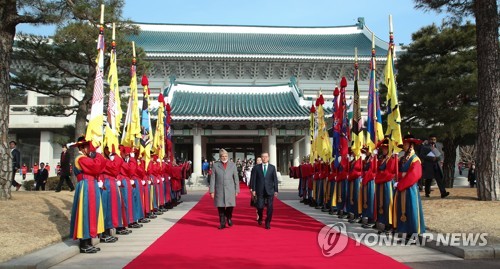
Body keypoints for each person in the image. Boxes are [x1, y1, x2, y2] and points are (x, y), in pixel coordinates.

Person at [69, 136, 106, 254]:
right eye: (87, 147)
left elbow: (99, 168)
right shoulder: (81, 158)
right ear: (82, 147)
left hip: (91, 185)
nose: (89, 149)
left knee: (92, 213)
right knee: (85, 213)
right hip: (86, 185)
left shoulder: (85, 158)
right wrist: (98, 155)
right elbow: (95, 167)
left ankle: (89, 240)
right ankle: (84, 242)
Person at [393, 134, 426, 242]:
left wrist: (401, 184)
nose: (404, 146)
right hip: (403, 187)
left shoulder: (415, 159)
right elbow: (396, 170)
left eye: (406, 144)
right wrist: (394, 157)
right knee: (403, 210)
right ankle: (406, 233)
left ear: (411, 145)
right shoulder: (402, 158)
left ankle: (414, 235)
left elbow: (415, 175)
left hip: (410, 188)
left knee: (411, 210)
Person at [209, 148, 240, 229]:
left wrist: (237, 190)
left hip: (230, 189)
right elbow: (212, 179)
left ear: (228, 156)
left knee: (230, 206)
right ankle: (222, 223)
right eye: (222, 156)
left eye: (225, 156)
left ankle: (229, 217)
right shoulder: (216, 165)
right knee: (220, 207)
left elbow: (236, 178)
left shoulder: (233, 165)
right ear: (220, 157)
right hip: (219, 189)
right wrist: (211, 191)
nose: (224, 157)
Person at [251, 152, 279, 230]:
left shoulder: (272, 167)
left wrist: (276, 190)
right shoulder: (256, 167)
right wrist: (253, 189)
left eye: (266, 157)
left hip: (270, 190)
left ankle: (267, 222)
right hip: (259, 190)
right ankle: (260, 217)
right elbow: (253, 179)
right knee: (260, 206)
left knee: (270, 207)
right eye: (263, 157)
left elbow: (275, 179)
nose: (264, 158)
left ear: (268, 158)